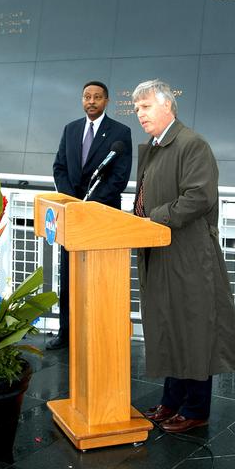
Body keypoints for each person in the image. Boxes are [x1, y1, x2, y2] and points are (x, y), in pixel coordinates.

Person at [132, 79, 235, 433]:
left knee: (193, 330)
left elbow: (199, 197)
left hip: (189, 255)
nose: (140, 114)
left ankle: (196, 409)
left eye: (145, 106)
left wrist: (153, 220)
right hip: (161, 252)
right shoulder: (154, 147)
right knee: (168, 326)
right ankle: (171, 401)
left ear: (167, 106)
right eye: (136, 108)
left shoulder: (192, 145)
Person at [48, 81, 132, 350]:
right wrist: (72, 201)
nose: (91, 101)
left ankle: (99, 335)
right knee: (69, 276)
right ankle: (66, 333)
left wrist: (89, 205)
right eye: (87, 97)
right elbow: (59, 167)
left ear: (106, 101)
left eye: (97, 97)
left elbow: (119, 177)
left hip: (101, 216)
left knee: (99, 279)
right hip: (71, 216)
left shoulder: (120, 132)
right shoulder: (70, 129)